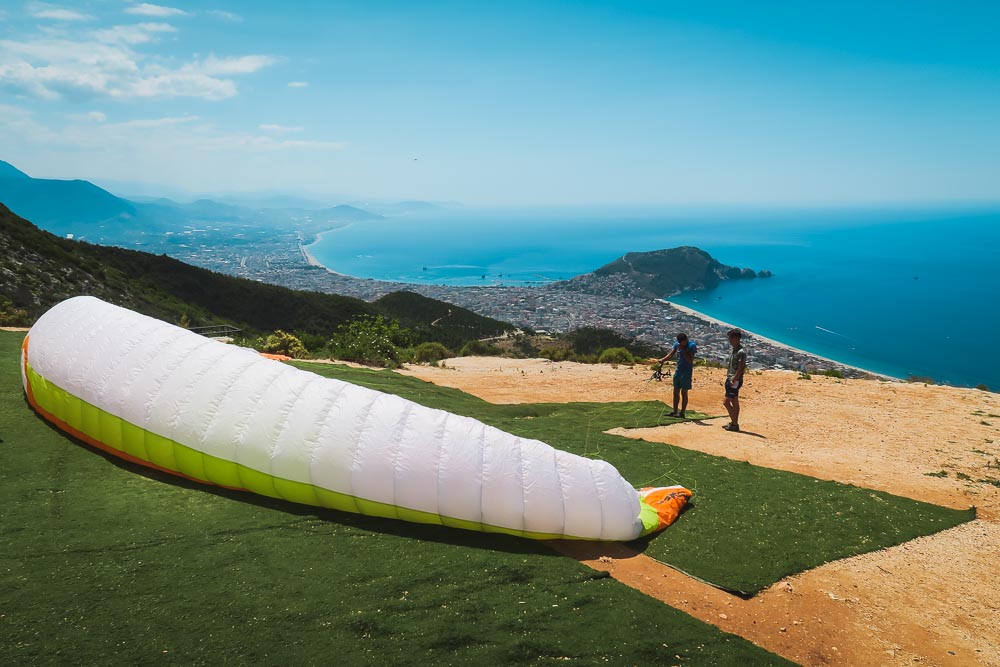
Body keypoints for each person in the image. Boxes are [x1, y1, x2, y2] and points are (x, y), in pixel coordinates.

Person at [659, 332, 696, 418]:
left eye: (681, 342)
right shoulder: (677, 345)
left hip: (686, 372)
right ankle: (675, 411)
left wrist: (683, 350)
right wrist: (663, 360)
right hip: (678, 370)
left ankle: (682, 412)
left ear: (686, 340)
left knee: (684, 392)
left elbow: (690, 360)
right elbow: (671, 354)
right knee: (675, 391)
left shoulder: (691, 346)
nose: (679, 344)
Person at [723, 328, 747, 432]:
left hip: (734, 380)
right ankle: (733, 423)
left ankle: (735, 423)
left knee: (726, 402)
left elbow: (741, 368)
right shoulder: (735, 349)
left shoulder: (741, 352)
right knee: (734, 401)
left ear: (737, 338)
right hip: (732, 378)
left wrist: (734, 379)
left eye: (731, 338)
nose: (729, 340)